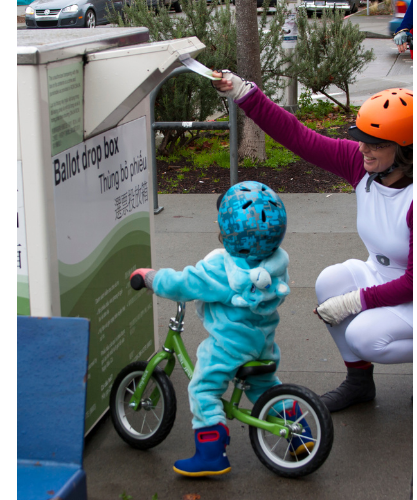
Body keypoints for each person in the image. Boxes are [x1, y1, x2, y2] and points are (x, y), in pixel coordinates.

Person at [212, 74, 413, 413]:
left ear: (405, 150)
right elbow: (299, 138)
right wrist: (244, 93)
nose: (362, 148)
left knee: (364, 337)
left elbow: (415, 282)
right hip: (383, 275)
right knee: (329, 282)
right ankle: (359, 383)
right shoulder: (360, 165)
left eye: (375, 143)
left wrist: (357, 301)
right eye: (361, 138)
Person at [130, 181, 309, 476]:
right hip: (262, 342)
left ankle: (211, 455)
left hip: (229, 347)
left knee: (203, 389)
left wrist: (150, 278)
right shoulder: (274, 265)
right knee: (265, 388)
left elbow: (182, 283)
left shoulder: (220, 270)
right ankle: (299, 435)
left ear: (228, 232)